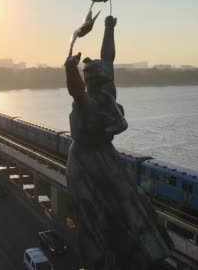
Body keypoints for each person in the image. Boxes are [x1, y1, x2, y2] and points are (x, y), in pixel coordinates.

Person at [64, 15, 172, 270]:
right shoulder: (96, 99)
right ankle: (115, 257)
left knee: (116, 206)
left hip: (96, 157)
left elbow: (102, 64)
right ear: (97, 81)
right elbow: (80, 86)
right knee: (102, 212)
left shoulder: (98, 97)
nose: (106, 80)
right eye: (101, 77)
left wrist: (108, 29)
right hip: (88, 161)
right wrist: (107, 30)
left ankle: (126, 254)